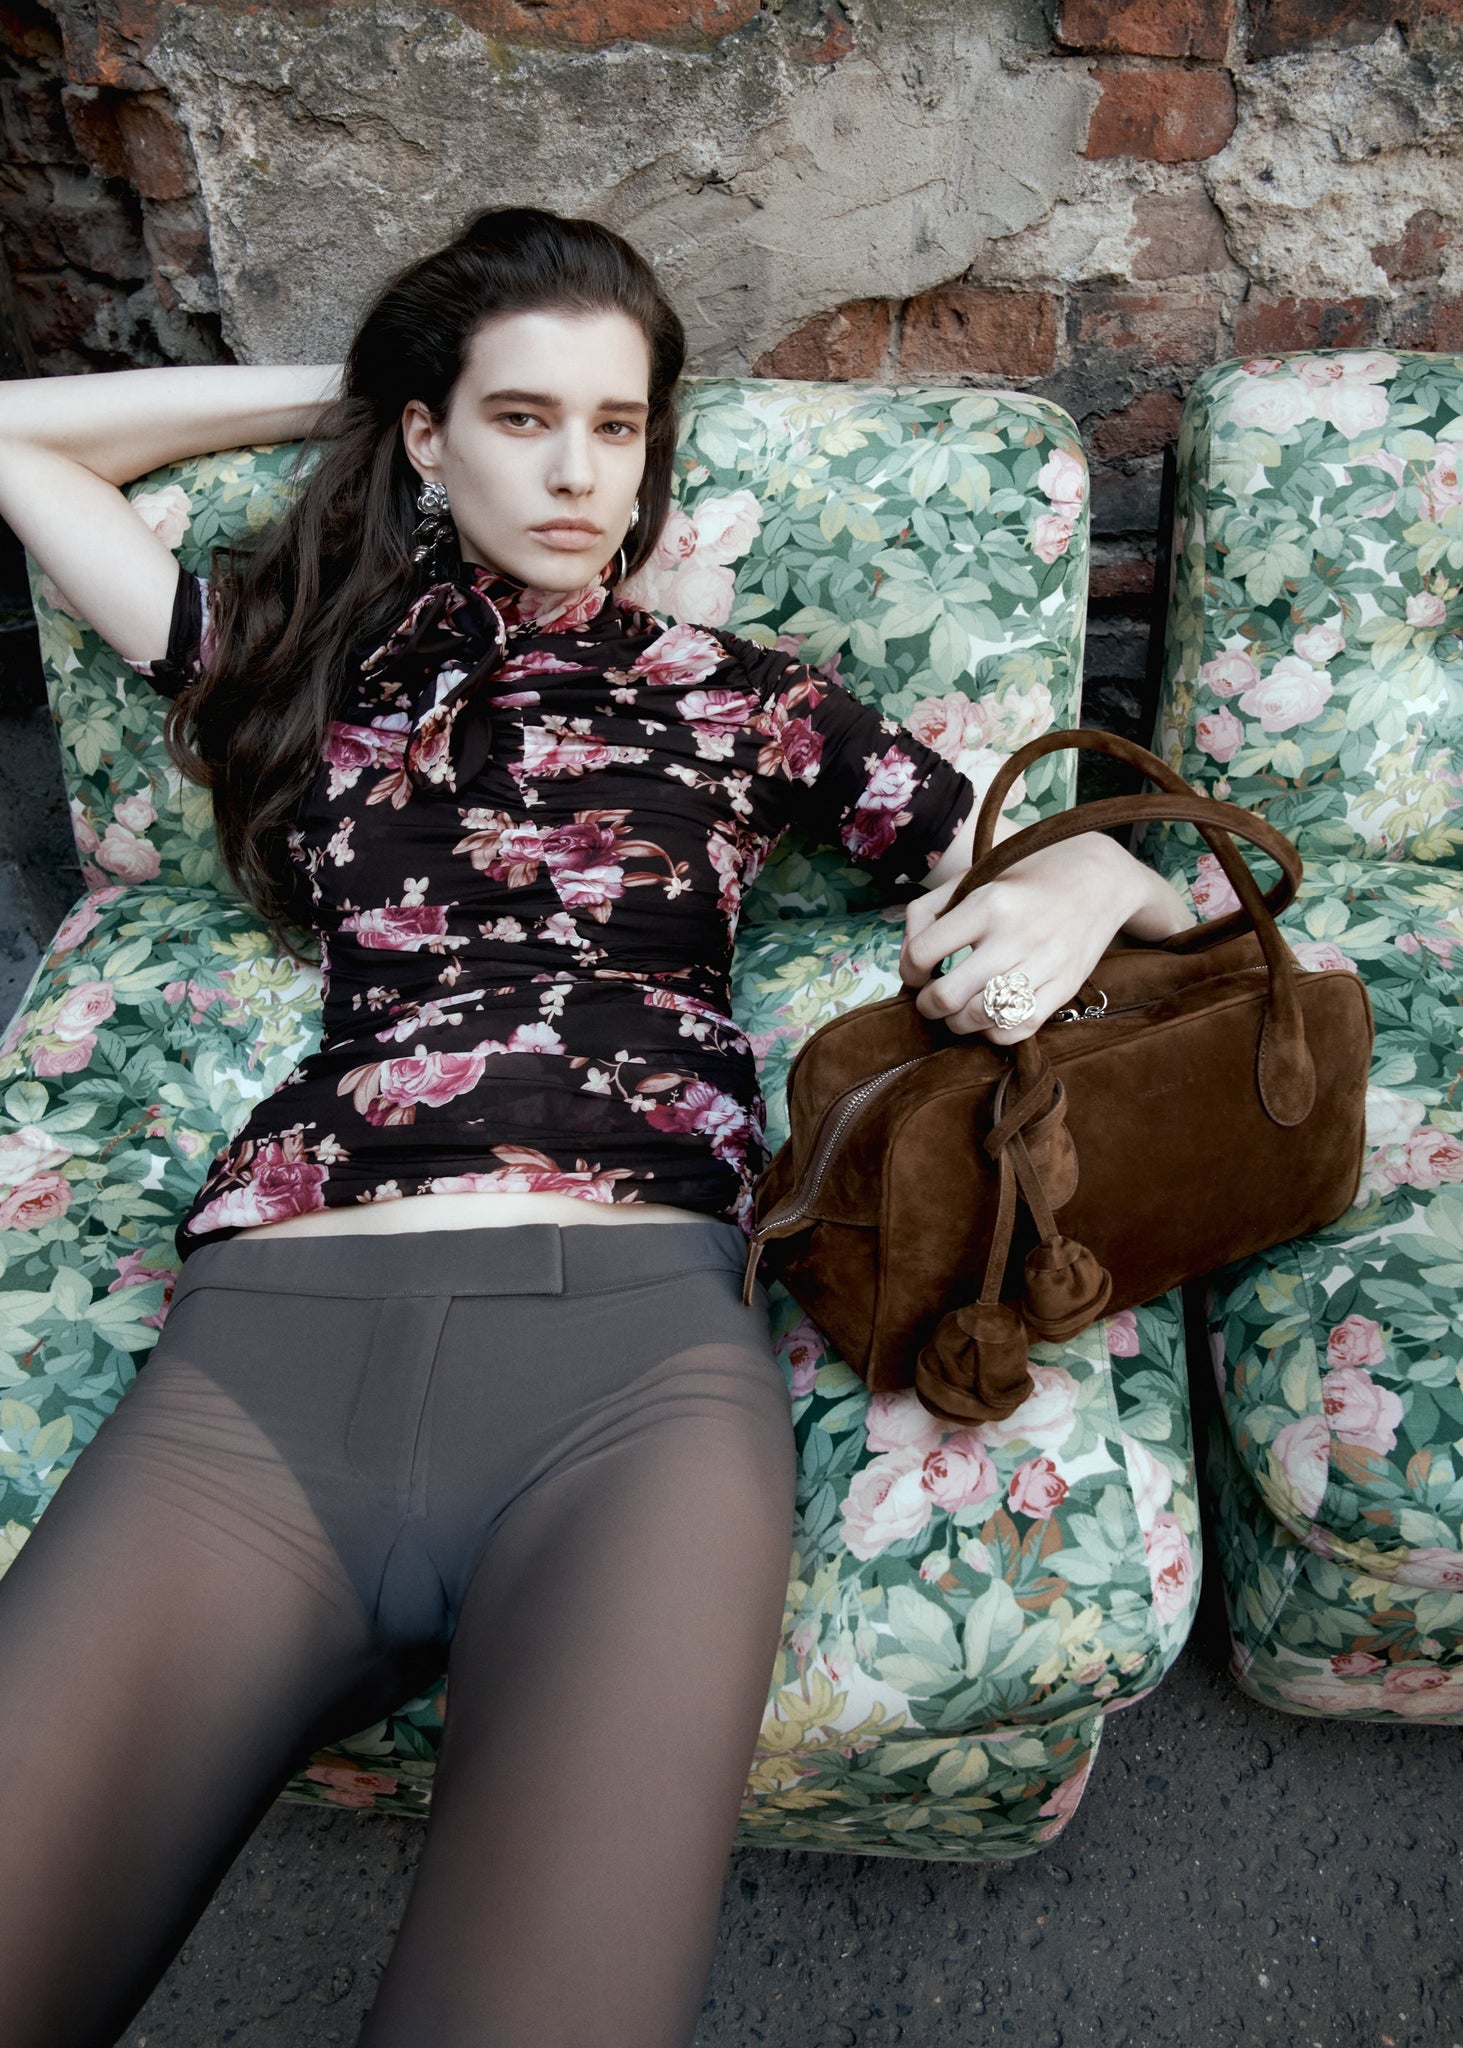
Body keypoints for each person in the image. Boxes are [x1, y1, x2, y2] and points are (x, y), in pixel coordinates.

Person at [0, 206, 1194, 2048]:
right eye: (519, 417)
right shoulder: (307, 661)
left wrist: (1099, 872)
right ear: (429, 437)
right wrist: (363, 382)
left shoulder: (748, 699)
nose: (577, 473)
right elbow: (16, 436)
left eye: (617, 426)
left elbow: (1128, 886)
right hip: (264, 1373)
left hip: (631, 1386)